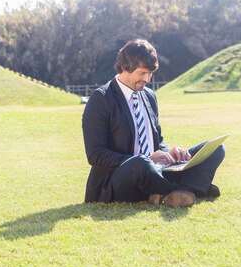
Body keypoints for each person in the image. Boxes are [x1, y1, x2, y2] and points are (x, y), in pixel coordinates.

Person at [81, 39, 225, 207]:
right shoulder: (101, 99)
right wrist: (146, 159)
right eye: (142, 73)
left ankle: (175, 192)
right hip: (120, 178)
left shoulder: (149, 96)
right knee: (140, 163)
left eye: (150, 74)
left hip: (156, 170)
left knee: (216, 148)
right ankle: (188, 189)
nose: (147, 79)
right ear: (125, 67)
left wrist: (170, 152)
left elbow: (157, 141)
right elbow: (95, 155)